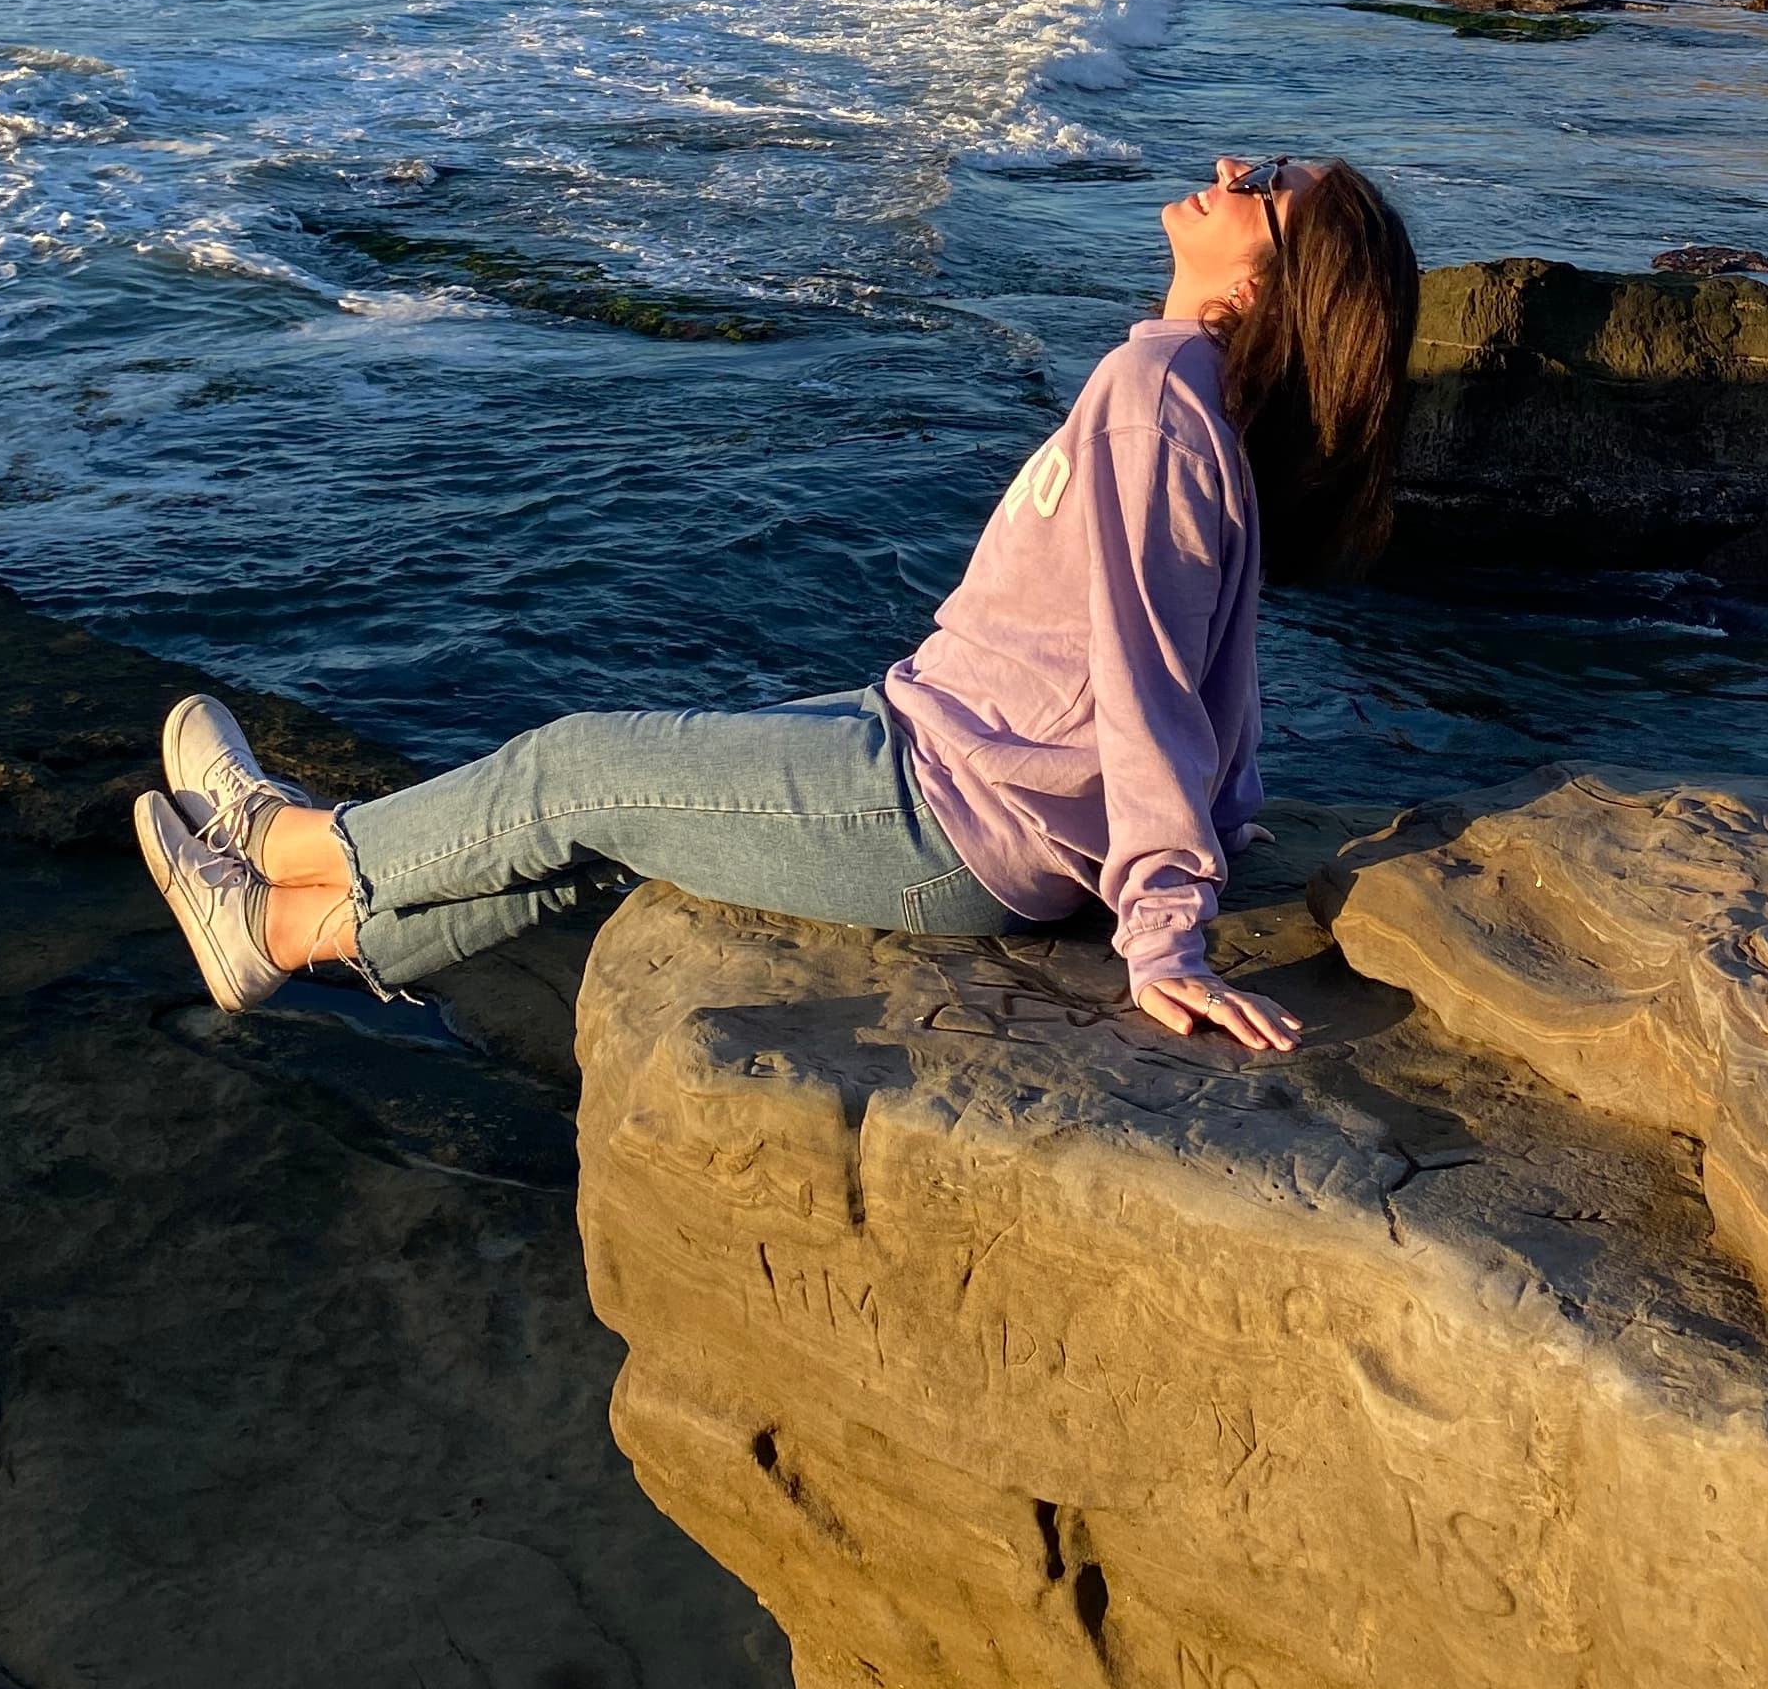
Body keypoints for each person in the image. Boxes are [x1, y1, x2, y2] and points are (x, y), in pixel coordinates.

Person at [135, 155, 1421, 1059]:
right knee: (614, 829)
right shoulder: (1200, 407)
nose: (1232, 166)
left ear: (1266, 287)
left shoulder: (1163, 396)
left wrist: (1164, 930)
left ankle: (289, 843)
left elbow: (1148, 680)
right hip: (941, 751)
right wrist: (1222, 821)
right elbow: (1209, 671)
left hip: (953, 815)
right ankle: (281, 929)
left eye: (1265, 190)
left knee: (571, 770)